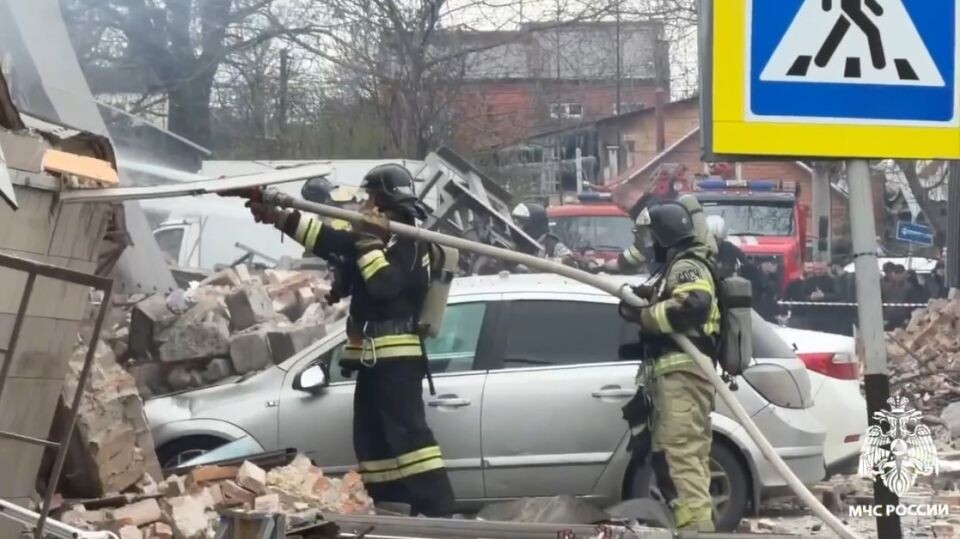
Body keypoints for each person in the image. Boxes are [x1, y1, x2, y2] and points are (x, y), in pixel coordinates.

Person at [238, 164, 455, 516]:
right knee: (370, 439)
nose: (364, 203)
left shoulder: (410, 242)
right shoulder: (377, 236)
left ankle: (440, 513)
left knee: (411, 441)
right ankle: (390, 508)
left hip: (399, 361)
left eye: (369, 196)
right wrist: (278, 217)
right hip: (372, 361)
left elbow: (385, 287)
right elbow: (328, 239)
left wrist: (367, 242)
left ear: (383, 199)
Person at [618, 202, 719, 531]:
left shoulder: (687, 264)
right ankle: (693, 529)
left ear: (664, 235)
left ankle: (697, 533)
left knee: (679, 458)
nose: (648, 245)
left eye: (651, 237)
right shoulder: (675, 268)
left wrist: (644, 315)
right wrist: (646, 297)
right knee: (677, 459)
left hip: (683, 376)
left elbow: (693, 307)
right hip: (679, 378)